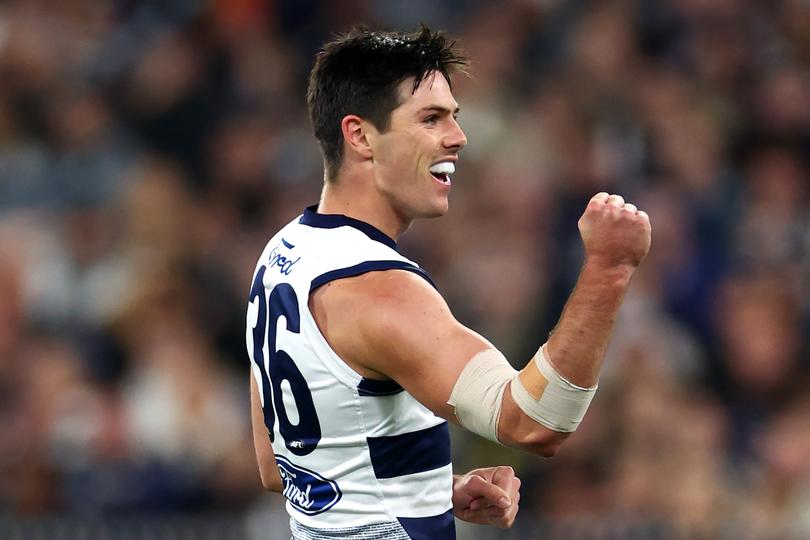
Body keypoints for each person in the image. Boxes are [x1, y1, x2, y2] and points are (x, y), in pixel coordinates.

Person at [246, 26, 651, 540]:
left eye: (454, 117)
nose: (457, 137)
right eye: (431, 118)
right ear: (360, 135)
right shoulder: (376, 287)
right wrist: (609, 270)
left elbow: (275, 464)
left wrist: (430, 485)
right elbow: (535, 421)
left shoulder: (281, 253)